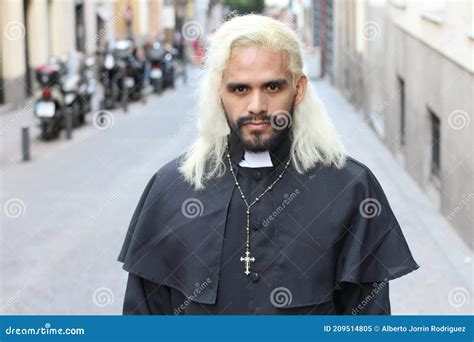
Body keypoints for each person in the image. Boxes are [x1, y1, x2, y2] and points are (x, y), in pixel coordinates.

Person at [118, 14, 419, 315]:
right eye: (240, 89)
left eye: (273, 88)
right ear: (218, 92)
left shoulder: (350, 189)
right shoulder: (170, 190)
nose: (257, 106)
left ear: (298, 89)